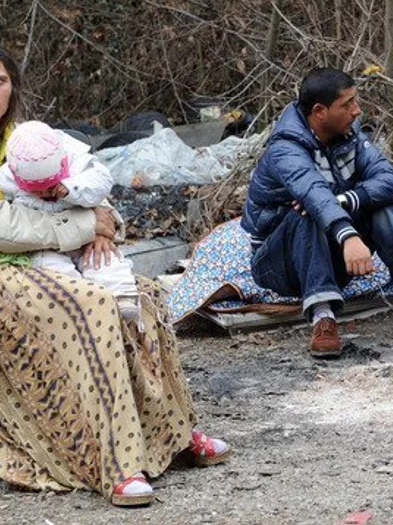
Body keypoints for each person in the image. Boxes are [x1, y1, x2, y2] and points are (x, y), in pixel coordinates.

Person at [0, 47, 230, 507]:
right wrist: (87, 227)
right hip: (10, 266)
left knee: (141, 293)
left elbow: (89, 183)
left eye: (0, 79)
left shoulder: (28, 138)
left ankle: (172, 431)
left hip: (55, 252)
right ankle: (120, 461)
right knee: (94, 305)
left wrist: (104, 221)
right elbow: (7, 230)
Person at [242, 67, 393, 358]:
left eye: (356, 101)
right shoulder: (285, 148)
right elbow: (313, 193)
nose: (357, 110)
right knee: (307, 210)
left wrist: (345, 200)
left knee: (378, 207)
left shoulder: (350, 134)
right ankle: (322, 316)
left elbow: (390, 181)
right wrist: (348, 236)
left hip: (331, 259)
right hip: (278, 264)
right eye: (347, 104)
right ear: (320, 112)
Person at [0, 120, 142, 326]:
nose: (44, 194)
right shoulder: (8, 177)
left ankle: (122, 297)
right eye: (36, 190)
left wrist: (99, 219)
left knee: (104, 258)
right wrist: (86, 225)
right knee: (51, 271)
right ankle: (79, 302)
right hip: (39, 243)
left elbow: (99, 183)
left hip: (80, 230)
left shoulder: (41, 141)